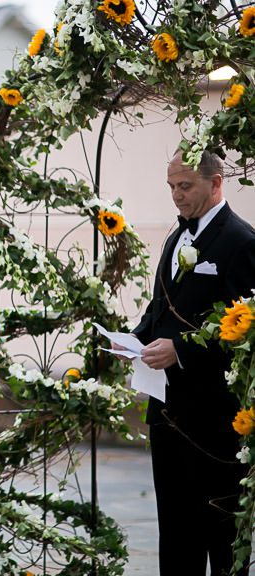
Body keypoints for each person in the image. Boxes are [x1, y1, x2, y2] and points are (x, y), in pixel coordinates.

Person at [133, 148, 255, 575]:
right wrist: (132, 340)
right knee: (176, 535)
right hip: (167, 413)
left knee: (222, 538)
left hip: (215, 421)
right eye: (171, 187)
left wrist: (181, 350)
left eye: (185, 186)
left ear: (216, 182)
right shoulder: (175, 237)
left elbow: (245, 333)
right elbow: (160, 309)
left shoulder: (242, 242)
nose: (176, 196)